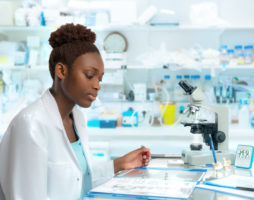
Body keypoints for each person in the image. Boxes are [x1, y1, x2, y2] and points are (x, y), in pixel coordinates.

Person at [0, 23, 151, 200]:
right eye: (89, 75)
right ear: (61, 71)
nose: (97, 85)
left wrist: (119, 164)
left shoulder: (76, 118)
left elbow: (76, 178)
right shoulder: (31, 125)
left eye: (99, 79)